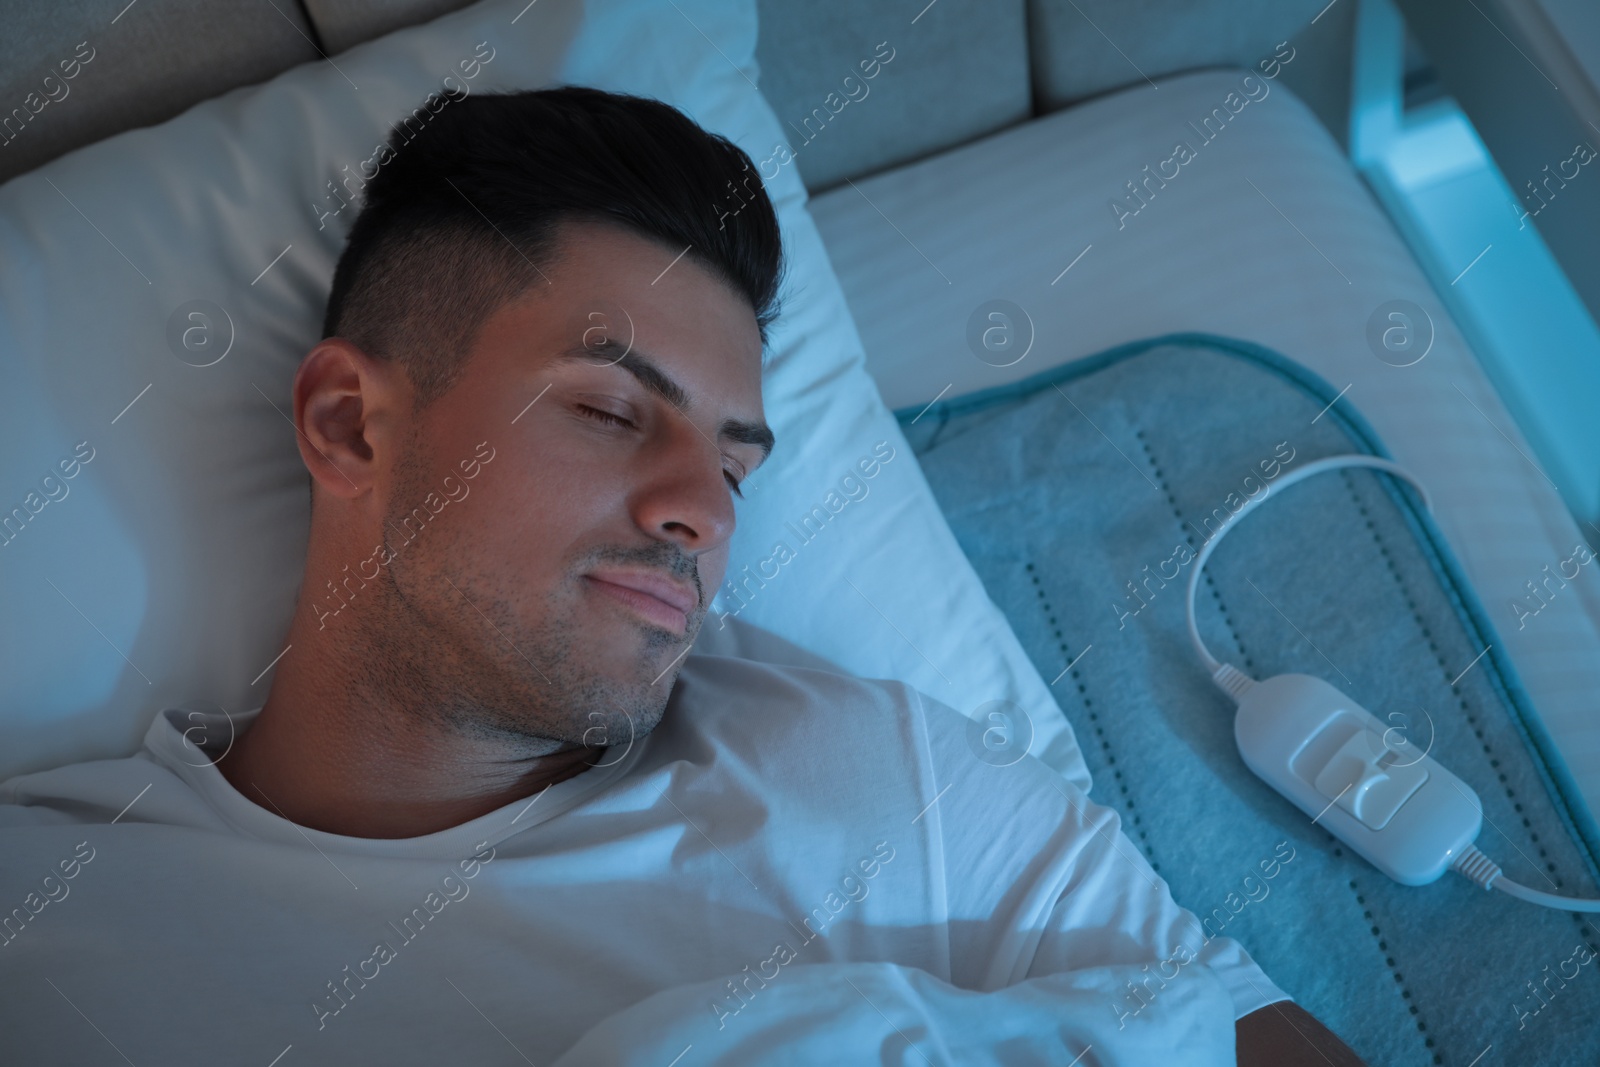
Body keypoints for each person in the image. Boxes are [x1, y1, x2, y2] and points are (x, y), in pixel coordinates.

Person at [0, 86, 1364, 1065]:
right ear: (352, 424)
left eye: (738, 465)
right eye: (608, 410)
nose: (700, 513)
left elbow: (1237, 1035)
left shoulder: (874, 774)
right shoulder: (50, 922)